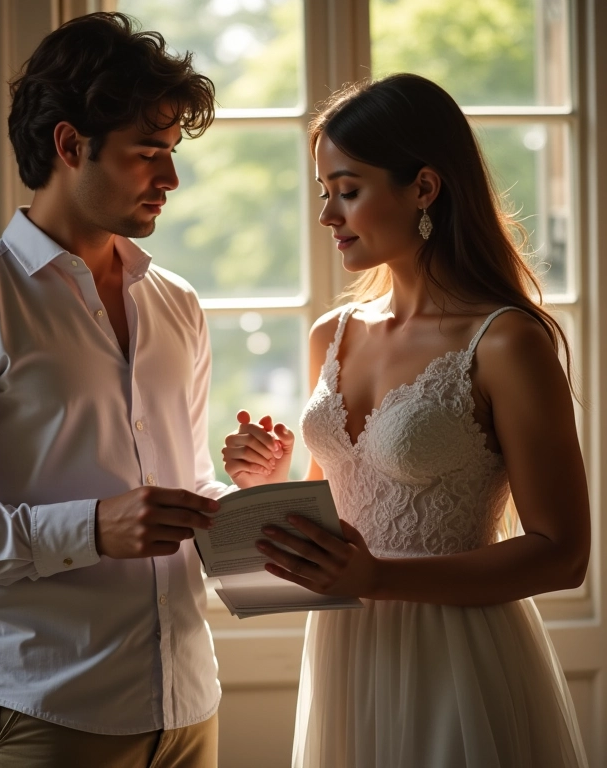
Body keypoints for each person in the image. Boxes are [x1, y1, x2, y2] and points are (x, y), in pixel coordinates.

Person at [0, 12, 225, 768]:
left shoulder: (179, 304)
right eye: (149, 153)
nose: (170, 178)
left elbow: (176, 489)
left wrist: (246, 502)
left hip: (191, 710)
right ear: (69, 145)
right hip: (43, 717)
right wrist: (91, 528)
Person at [222, 73, 590, 767]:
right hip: (346, 657)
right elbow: (341, 519)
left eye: (349, 190)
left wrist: (379, 580)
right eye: (323, 193)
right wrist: (268, 486)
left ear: (424, 187)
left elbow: (564, 552)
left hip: (458, 659)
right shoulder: (330, 335)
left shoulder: (506, 341)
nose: (328, 216)